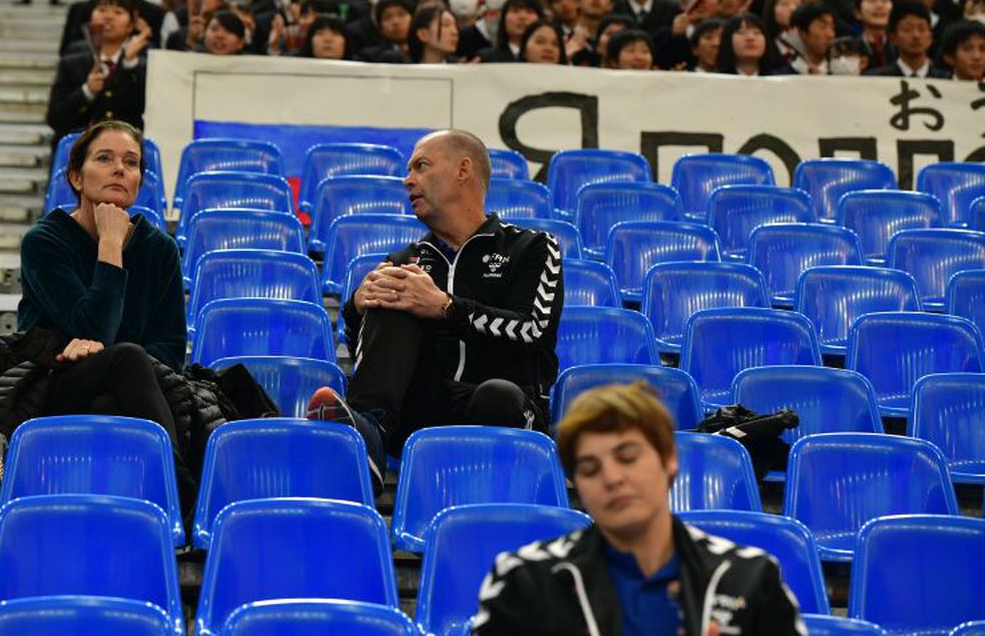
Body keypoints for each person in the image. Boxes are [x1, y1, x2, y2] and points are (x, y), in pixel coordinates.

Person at [307, 129, 564, 487]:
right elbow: (373, 356)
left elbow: (533, 331)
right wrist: (355, 309)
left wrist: (445, 308)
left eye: (420, 166)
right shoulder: (406, 261)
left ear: (463, 170)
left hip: (505, 410)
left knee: (498, 394)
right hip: (422, 413)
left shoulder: (533, 247)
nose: (407, 180)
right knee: (393, 287)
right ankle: (368, 433)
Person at [471, 381, 807, 636]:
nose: (613, 478)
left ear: (669, 461)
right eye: (590, 467)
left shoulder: (750, 578)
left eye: (628, 457)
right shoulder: (524, 579)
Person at [16, 120, 190, 506]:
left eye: (131, 162)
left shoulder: (158, 248)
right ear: (77, 177)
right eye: (105, 158)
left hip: (134, 389)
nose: (119, 169)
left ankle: (137, 511)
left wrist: (112, 359)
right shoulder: (44, 242)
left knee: (112, 398)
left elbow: (172, 350)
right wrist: (110, 245)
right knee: (126, 356)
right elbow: (94, 326)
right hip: (57, 382)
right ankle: (180, 496)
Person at [47, 0, 152, 144]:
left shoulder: (143, 66)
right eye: (102, 10)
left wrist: (130, 64)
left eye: (118, 12)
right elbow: (55, 119)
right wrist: (86, 91)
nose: (108, 17)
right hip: (78, 152)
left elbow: (143, 113)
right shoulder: (72, 63)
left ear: (131, 25)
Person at [865, 0, 951, 79]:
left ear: (930, 37)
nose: (916, 35)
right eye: (907, 29)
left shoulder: (948, 80)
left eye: (922, 29)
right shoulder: (876, 78)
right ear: (893, 37)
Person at [716, 13, 784, 77]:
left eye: (757, 33)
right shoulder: (715, 81)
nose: (750, 38)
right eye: (741, 32)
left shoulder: (780, 81)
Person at [785, 1, 836, 75]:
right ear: (802, 33)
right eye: (822, 27)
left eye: (832, 27)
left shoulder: (840, 70)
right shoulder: (787, 72)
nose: (831, 34)